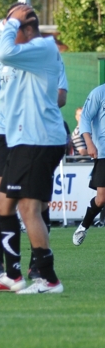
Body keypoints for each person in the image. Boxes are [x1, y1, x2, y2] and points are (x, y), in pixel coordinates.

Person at [0, 3, 66, 294]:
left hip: (40, 139)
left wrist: (13, 22)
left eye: (14, 28)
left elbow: (4, 51)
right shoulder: (22, 54)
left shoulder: (43, 46)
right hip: (23, 140)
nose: (7, 34)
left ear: (26, 29)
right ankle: (13, 275)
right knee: (4, 205)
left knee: (29, 208)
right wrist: (10, 22)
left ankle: (49, 278)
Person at [72, 83, 105, 246]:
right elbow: (85, 118)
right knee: (101, 198)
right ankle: (84, 226)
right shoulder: (99, 93)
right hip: (103, 153)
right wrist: (89, 143)